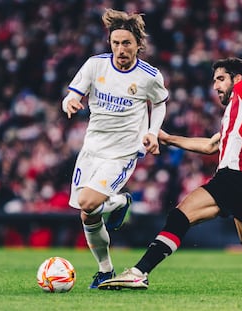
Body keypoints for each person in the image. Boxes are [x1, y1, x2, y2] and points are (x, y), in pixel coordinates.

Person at [98, 57, 242, 289]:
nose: (215, 86)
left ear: (236, 79)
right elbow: (209, 146)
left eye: (220, 79)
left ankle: (139, 272)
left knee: (180, 216)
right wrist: (168, 139)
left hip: (235, 177)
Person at [61, 9, 168, 288]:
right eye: (116, 42)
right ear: (110, 42)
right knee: (88, 214)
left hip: (122, 153)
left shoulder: (149, 75)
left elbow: (159, 103)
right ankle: (105, 270)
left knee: (88, 202)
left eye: (127, 43)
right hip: (92, 149)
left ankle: (120, 201)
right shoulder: (95, 65)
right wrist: (69, 102)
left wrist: (152, 133)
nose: (121, 49)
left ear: (137, 45)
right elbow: (72, 94)